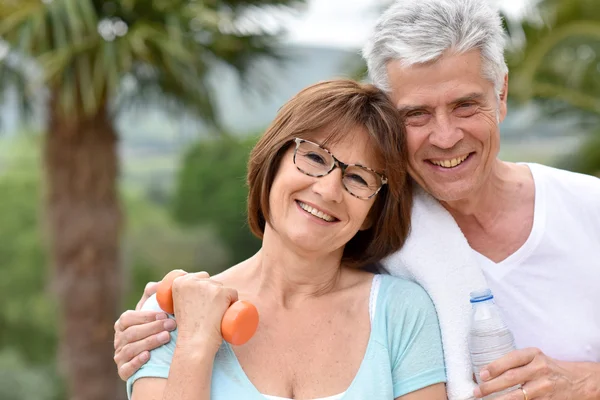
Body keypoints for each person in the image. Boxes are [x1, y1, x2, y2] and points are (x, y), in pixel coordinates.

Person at [115, 0, 600, 399]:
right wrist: (176, 329)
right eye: (416, 114)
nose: (446, 135)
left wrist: (583, 382)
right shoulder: (384, 237)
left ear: (502, 93)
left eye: (466, 105)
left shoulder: (589, 209)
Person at [123, 79, 447, 400]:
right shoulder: (174, 313)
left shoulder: (403, 312)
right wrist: (194, 345)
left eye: (359, 178)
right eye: (316, 158)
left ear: (373, 212)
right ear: (273, 162)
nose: (328, 190)